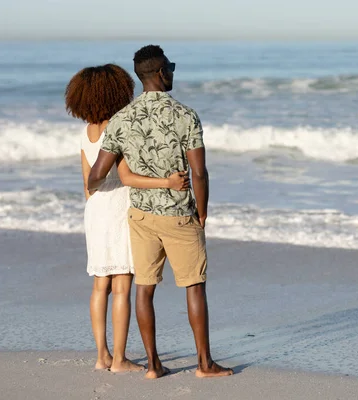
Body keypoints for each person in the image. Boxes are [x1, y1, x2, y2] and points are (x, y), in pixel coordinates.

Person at [88, 45, 233, 379]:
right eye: (171, 67)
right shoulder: (185, 115)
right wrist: (203, 212)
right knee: (194, 286)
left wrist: (118, 178)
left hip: (141, 216)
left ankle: (153, 365)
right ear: (160, 73)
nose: (173, 72)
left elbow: (97, 176)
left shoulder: (122, 119)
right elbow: (199, 172)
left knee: (145, 288)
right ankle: (204, 363)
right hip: (180, 215)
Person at [65, 64, 190, 372]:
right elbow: (127, 176)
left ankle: (102, 356)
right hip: (119, 205)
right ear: (116, 93)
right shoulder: (118, 128)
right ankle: (120, 359)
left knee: (100, 286)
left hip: (94, 208)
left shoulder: (86, 133)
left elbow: (87, 184)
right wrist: (167, 182)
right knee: (123, 284)